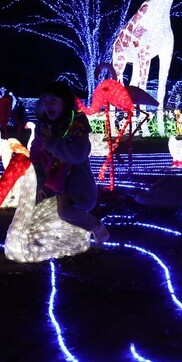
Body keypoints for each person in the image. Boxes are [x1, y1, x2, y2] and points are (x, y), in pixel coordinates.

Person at [29, 80, 109, 245]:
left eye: (53, 101)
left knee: (66, 212)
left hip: (78, 187)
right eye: (45, 101)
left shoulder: (77, 126)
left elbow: (78, 155)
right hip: (54, 184)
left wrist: (51, 145)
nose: (48, 105)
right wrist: (40, 182)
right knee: (43, 212)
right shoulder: (44, 127)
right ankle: (67, 240)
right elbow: (36, 154)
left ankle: (96, 228)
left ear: (64, 102)